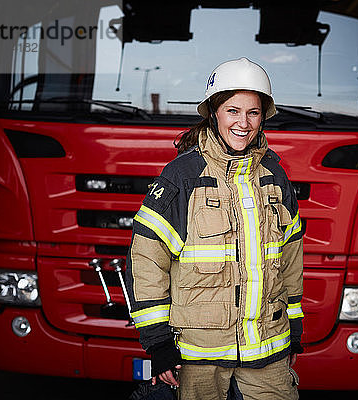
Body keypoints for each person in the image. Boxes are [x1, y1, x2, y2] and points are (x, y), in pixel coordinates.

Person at [125, 57, 304, 400]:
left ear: (263, 117)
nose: (243, 123)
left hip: (268, 350)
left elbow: (291, 259)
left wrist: (293, 328)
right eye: (232, 111)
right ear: (214, 114)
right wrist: (158, 342)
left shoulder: (274, 175)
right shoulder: (183, 175)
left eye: (252, 112)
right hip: (198, 356)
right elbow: (147, 259)